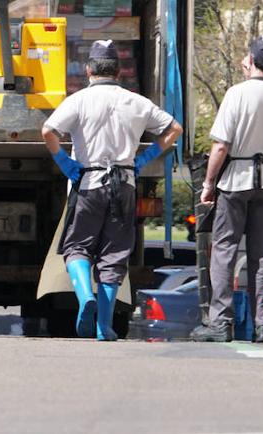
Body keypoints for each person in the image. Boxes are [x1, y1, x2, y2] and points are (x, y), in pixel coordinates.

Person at [41, 39, 184, 340]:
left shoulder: (79, 100)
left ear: (89, 69)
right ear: (118, 72)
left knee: (77, 247)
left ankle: (84, 298)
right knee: (114, 255)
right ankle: (104, 326)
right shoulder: (136, 101)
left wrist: (64, 160)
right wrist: (146, 156)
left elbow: (48, 131)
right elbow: (175, 129)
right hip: (125, 184)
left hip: (88, 183)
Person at [196, 34, 263, 343]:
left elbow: (221, 145)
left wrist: (209, 184)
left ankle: (221, 323)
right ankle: (262, 325)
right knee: (260, 255)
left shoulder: (237, 94)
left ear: (250, 60)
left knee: (223, 250)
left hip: (236, 178)